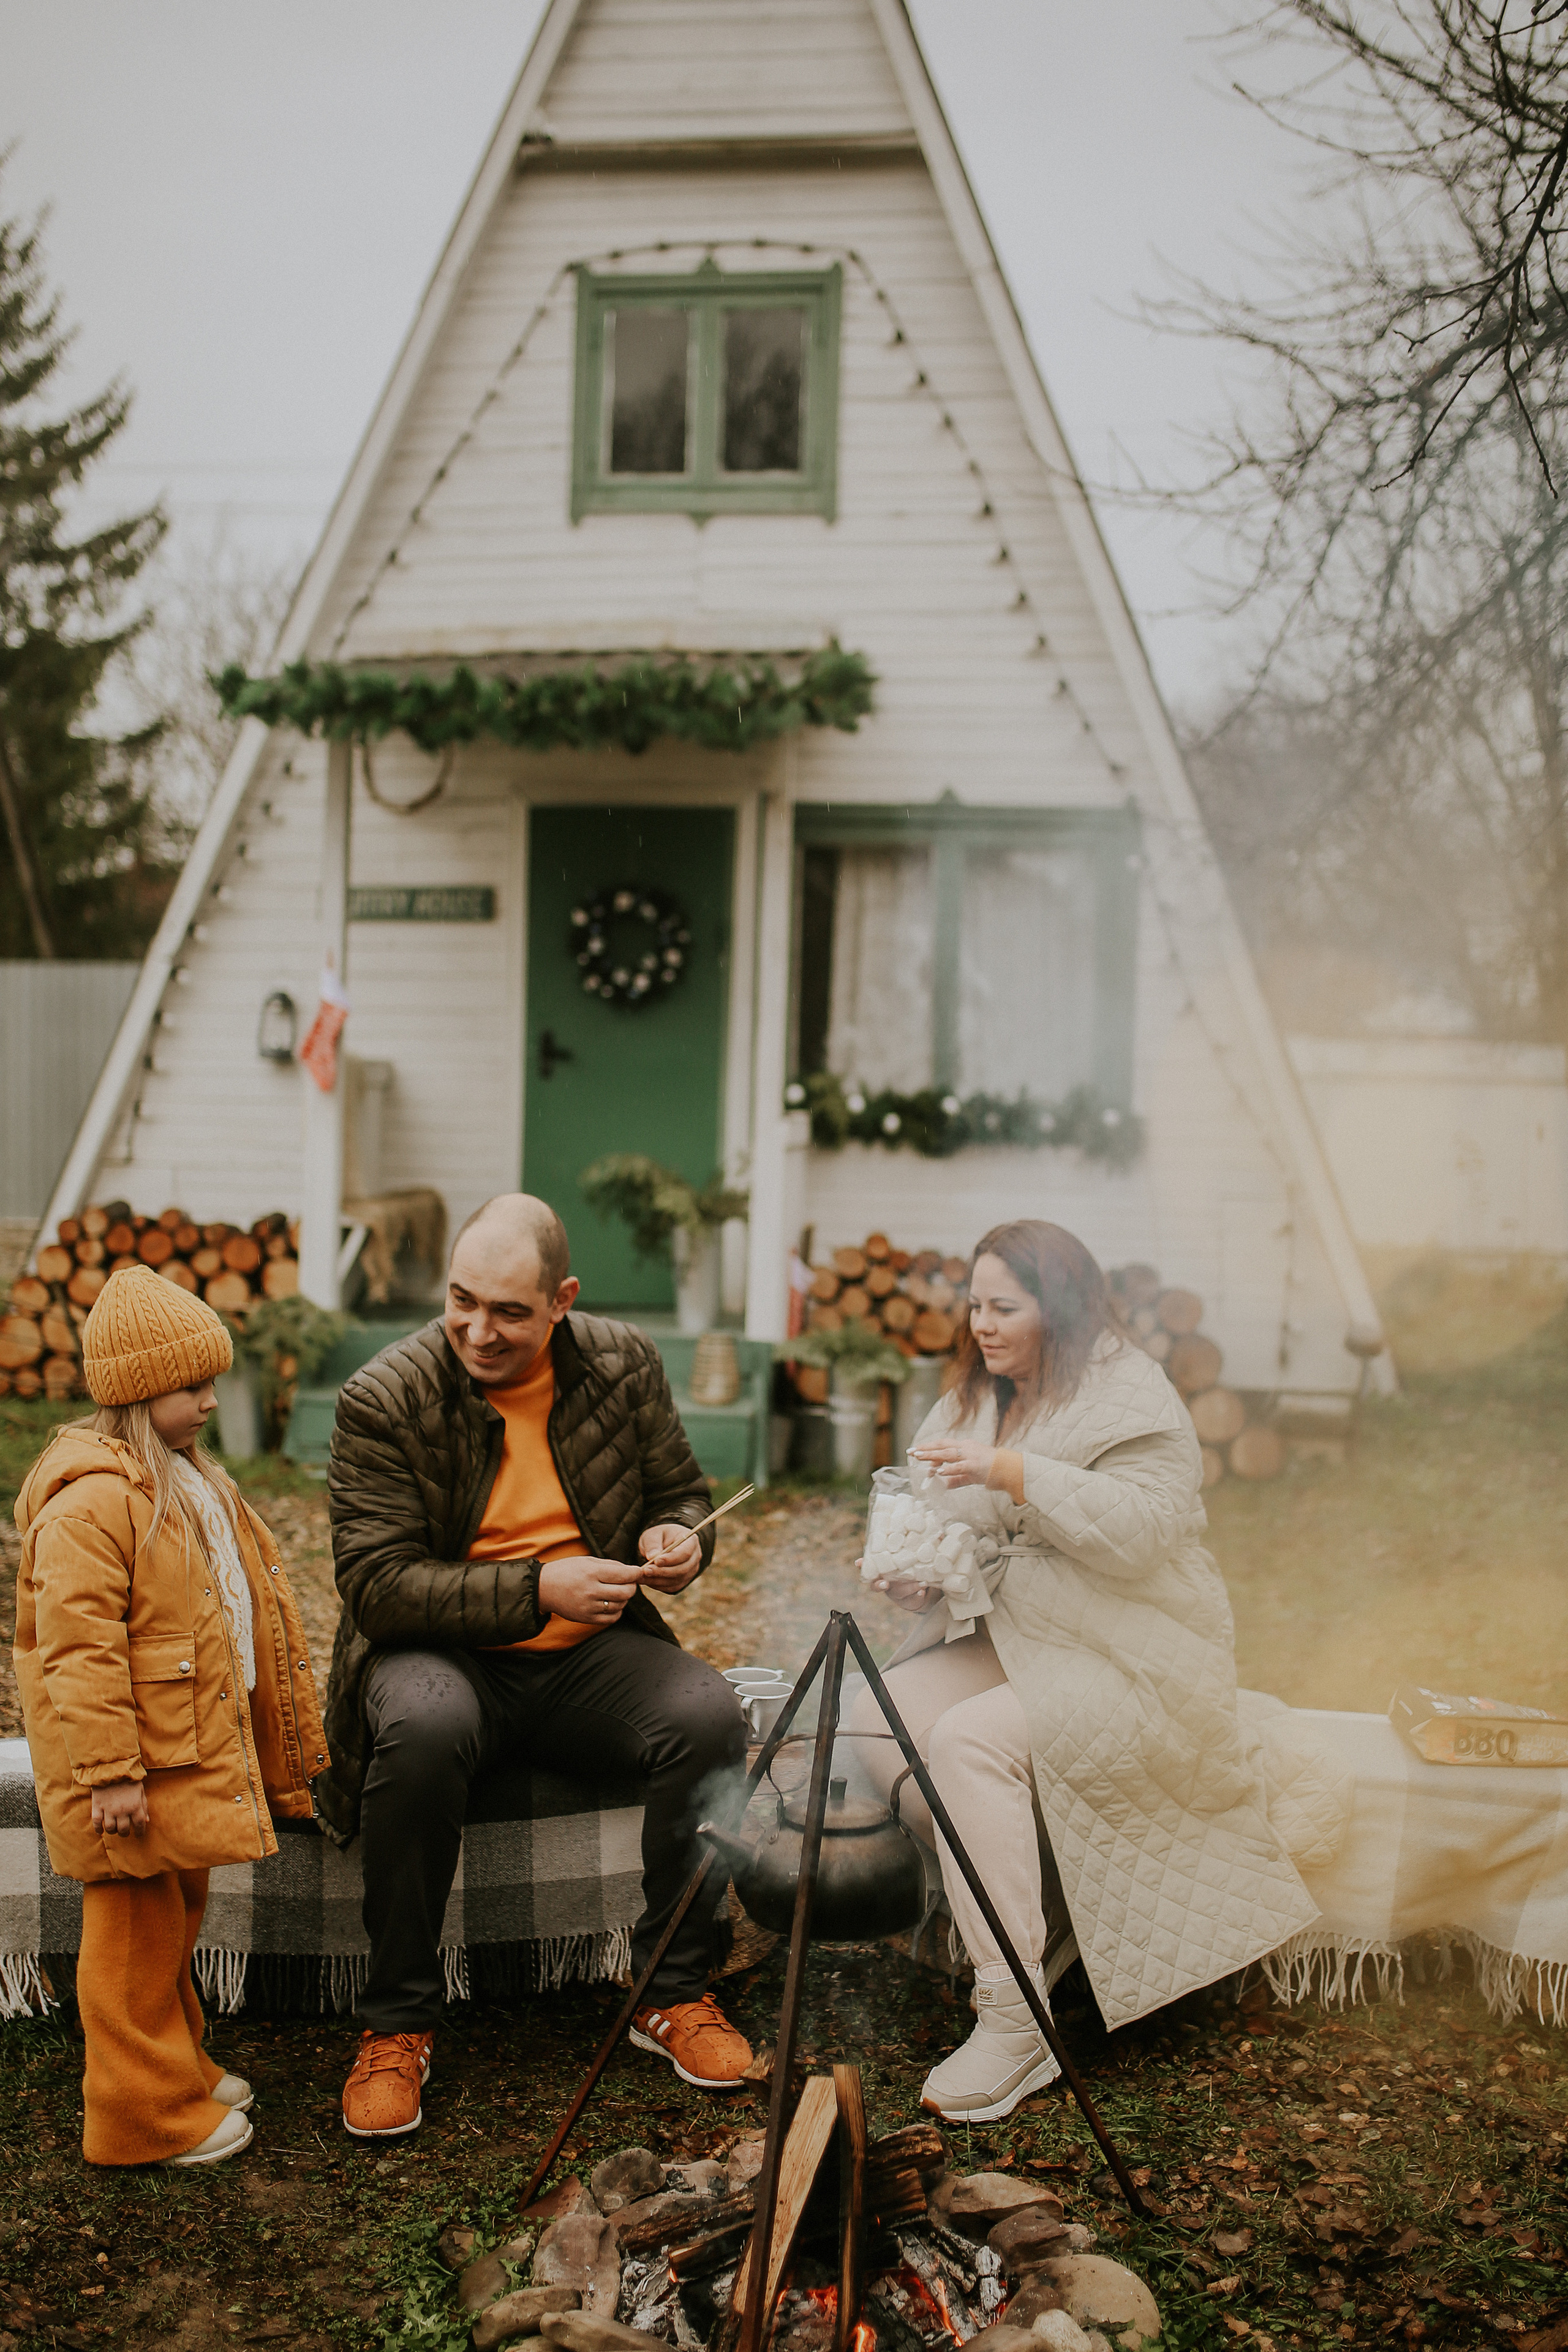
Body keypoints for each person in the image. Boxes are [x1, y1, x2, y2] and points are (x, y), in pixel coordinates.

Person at [849, 1219, 1317, 2122]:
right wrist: (917, 1575)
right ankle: (1016, 1903)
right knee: (880, 1715)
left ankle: (1017, 2017)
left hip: (1131, 1648)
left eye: (1005, 1308)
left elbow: (1146, 1530)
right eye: (974, 1305)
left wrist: (1017, 1471)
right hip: (1020, 1632)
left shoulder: (1129, 1392)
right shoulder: (972, 1397)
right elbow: (947, 1532)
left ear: (1058, 1309)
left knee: (968, 1741)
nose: (981, 1325)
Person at [320, 1193, 751, 2137]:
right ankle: (397, 2024)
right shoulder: (382, 1396)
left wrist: (675, 1534)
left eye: (510, 1311)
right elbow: (377, 1586)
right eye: (461, 1300)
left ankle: (671, 1992)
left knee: (710, 1713)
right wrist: (536, 1589)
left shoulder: (622, 1363)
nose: (478, 1329)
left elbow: (680, 1486)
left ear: (563, 1299)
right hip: (441, 1655)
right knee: (423, 1726)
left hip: (586, 1658)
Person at [12, 1265, 330, 2167]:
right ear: (142, 1389)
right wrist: (108, 1771)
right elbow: (77, 1651)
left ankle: (177, 2066)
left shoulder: (185, 1479)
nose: (211, 1399)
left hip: (177, 1758)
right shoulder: (90, 1503)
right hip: (128, 1773)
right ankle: (137, 2116)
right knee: (129, 1941)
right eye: (195, 1386)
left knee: (175, 1920)